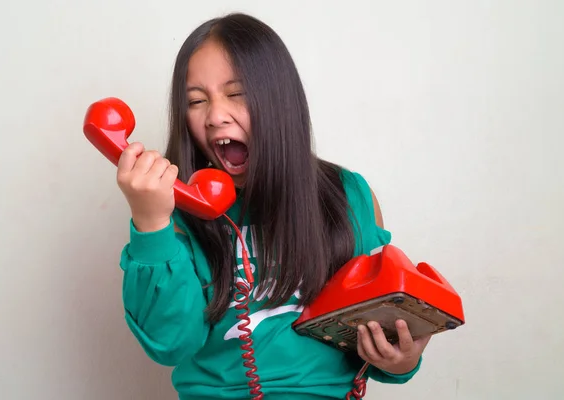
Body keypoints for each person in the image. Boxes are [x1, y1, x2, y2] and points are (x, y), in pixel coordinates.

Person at [114, 12, 431, 400]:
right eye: (196, 101)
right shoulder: (172, 211)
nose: (215, 117)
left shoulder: (349, 196)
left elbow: (377, 326)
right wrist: (150, 223)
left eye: (237, 93)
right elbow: (169, 344)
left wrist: (399, 361)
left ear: (278, 99)